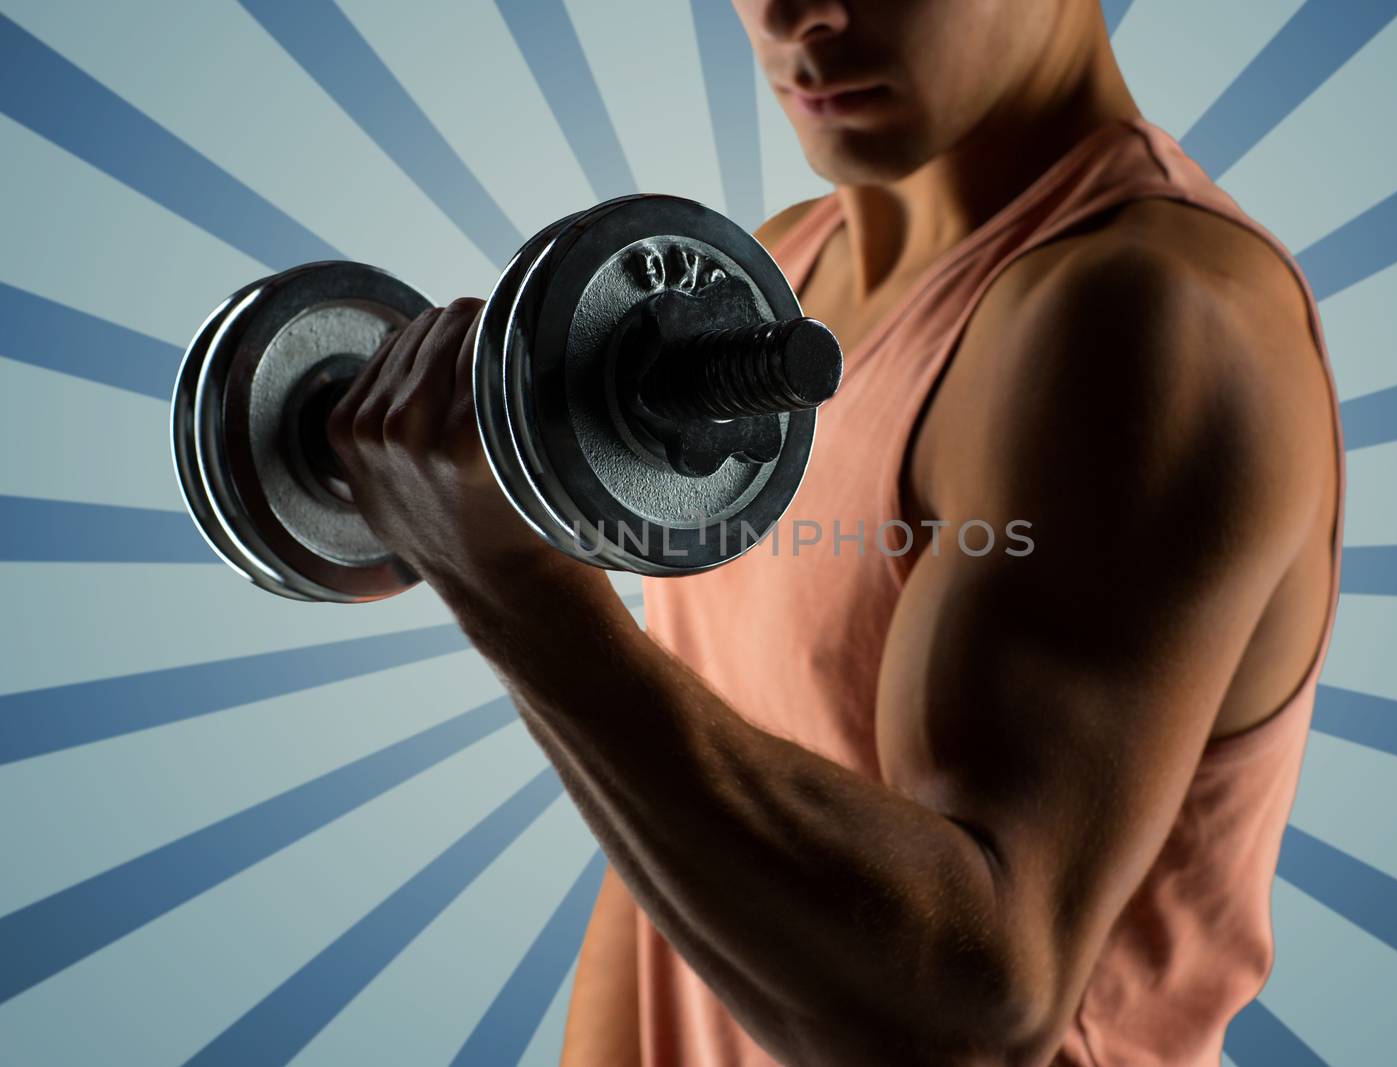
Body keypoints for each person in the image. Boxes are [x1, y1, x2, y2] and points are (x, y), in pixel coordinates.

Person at [325, 0, 1345, 1063]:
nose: (788, 12)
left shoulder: (1151, 313)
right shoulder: (778, 271)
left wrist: (518, 588)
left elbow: (975, 1013)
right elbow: (677, 818)